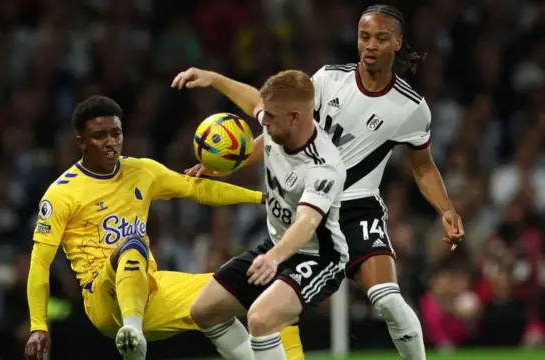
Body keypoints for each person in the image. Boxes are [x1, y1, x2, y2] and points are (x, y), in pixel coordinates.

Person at [172, 4, 465, 360]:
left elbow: (423, 166)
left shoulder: (410, 108)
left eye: (380, 38)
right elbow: (276, 123)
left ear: (398, 43)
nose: (370, 45)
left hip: (355, 207)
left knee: (387, 299)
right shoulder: (328, 79)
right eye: (364, 36)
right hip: (303, 206)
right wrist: (230, 162)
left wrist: (446, 208)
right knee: (210, 311)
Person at [23, 95, 305, 360]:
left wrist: (261, 198)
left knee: (264, 293)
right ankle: (132, 335)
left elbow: (197, 189)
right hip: (104, 300)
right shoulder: (61, 193)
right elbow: (40, 262)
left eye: (116, 134)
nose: (110, 142)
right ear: (81, 141)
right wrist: (38, 325)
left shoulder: (142, 171)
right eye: (99, 136)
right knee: (133, 245)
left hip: (151, 287)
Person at [183, 70, 348, 360]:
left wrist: (274, 258)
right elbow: (253, 103)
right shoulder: (278, 122)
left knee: (260, 319)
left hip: (317, 256)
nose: (263, 120)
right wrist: (214, 79)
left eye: (269, 116)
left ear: (295, 117)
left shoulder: (324, 166)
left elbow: (307, 223)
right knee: (205, 311)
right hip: (275, 246)